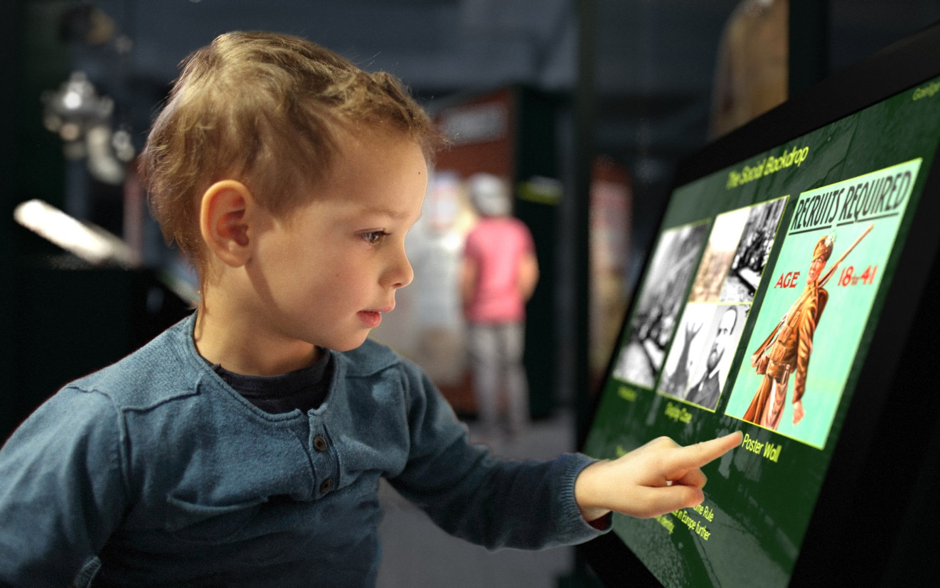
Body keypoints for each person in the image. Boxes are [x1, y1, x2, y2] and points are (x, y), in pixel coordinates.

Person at [0, 31, 741, 587]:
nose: (404, 270)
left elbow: (476, 493)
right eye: (373, 233)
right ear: (236, 227)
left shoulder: (387, 389)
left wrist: (594, 485)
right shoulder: (111, 428)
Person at [461, 173, 538, 441]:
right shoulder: (518, 230)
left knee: (486, 370)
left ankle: (490, 427)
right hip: (511, 310)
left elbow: (466, 278)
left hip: (481, 312)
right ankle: (517, 424)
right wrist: (516, 297)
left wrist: (467, 305)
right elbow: (529, 272)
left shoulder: (474, 234)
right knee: (513, 368)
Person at [744, 235, 832, 429]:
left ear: (824, 265)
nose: (812, 266)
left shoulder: (810, 304)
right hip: (769, 372)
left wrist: (798, 397)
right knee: (749, 424)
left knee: (762, 430)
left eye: (819, 262)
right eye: (813, 260)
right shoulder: (803, 297)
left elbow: (804, 348)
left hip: (778, 378)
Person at [686, 306, 739, 410]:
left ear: (730, 340)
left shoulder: (717, 398)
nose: (717, 340)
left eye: (725, 332)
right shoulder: (694, 389)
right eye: (718, 331)